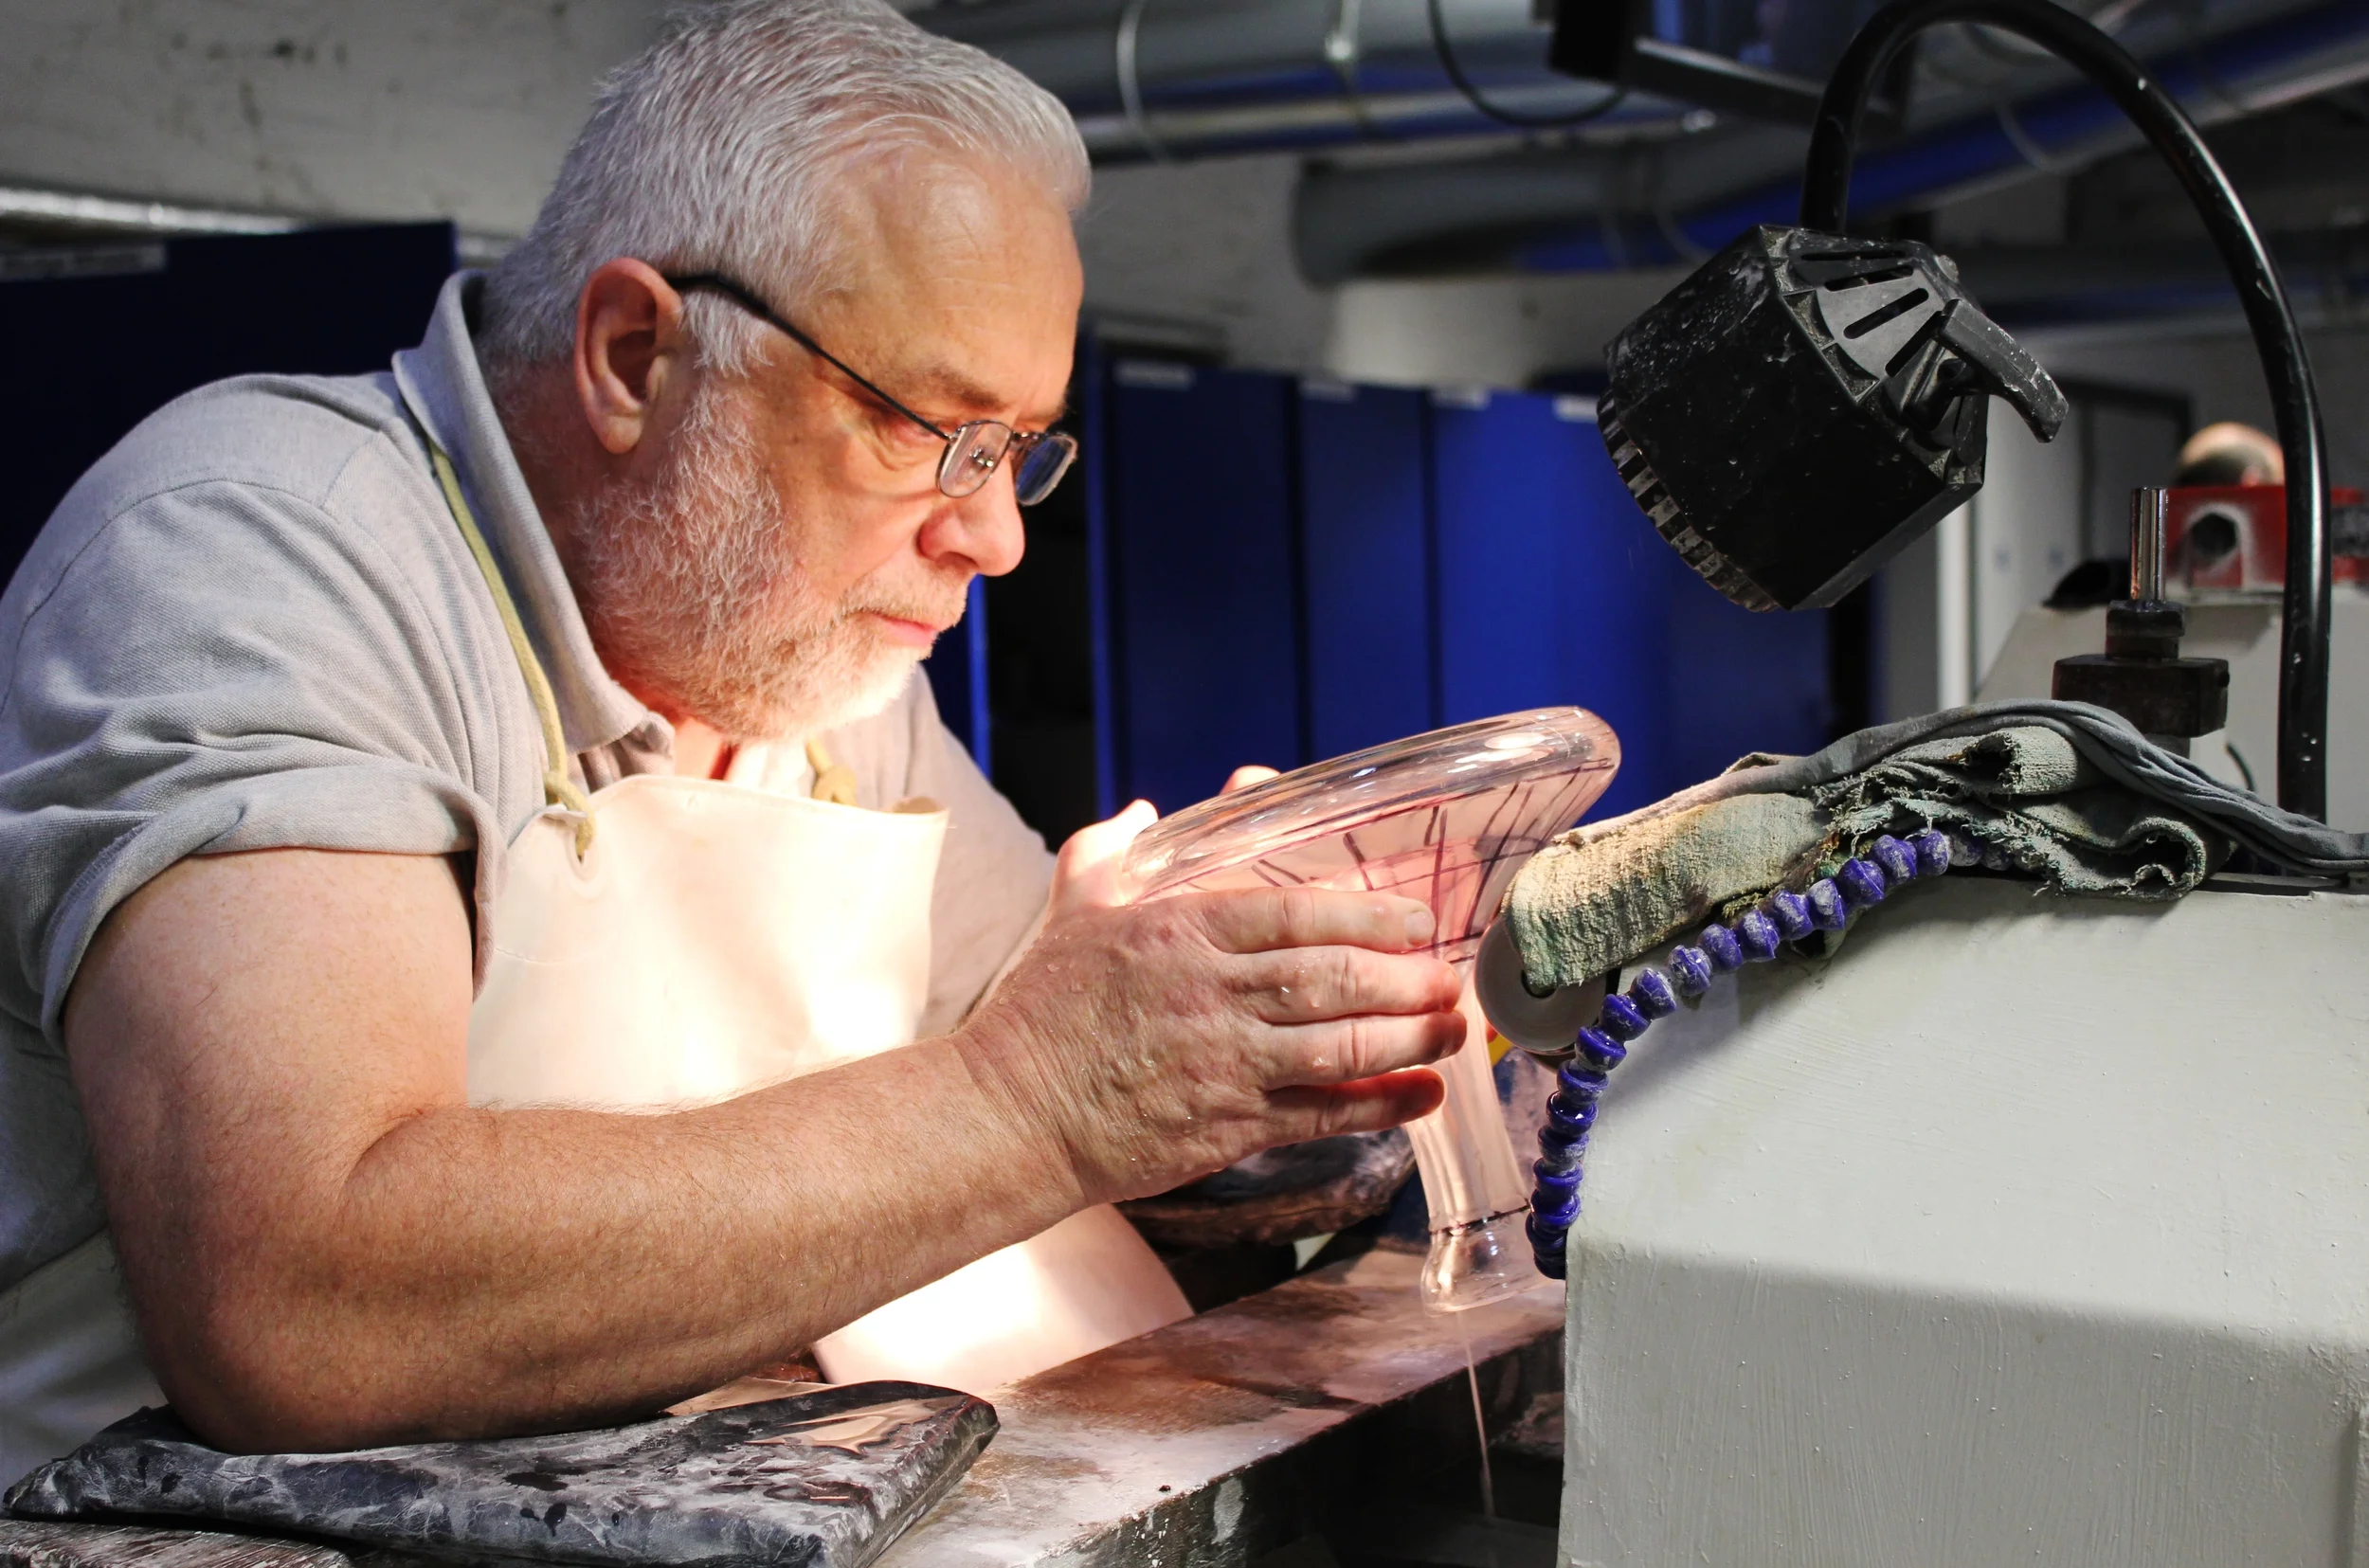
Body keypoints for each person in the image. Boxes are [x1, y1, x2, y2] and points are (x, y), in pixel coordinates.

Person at [0, 0, 1463, 1480]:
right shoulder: (266, 557)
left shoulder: (809, 657)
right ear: (638, 355)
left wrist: (1246, 1003)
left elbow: (1031, 1015)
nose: (998, 536)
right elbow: (301, 1299)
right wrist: (1046, 1097)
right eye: (928, 430)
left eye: (1018, 448)